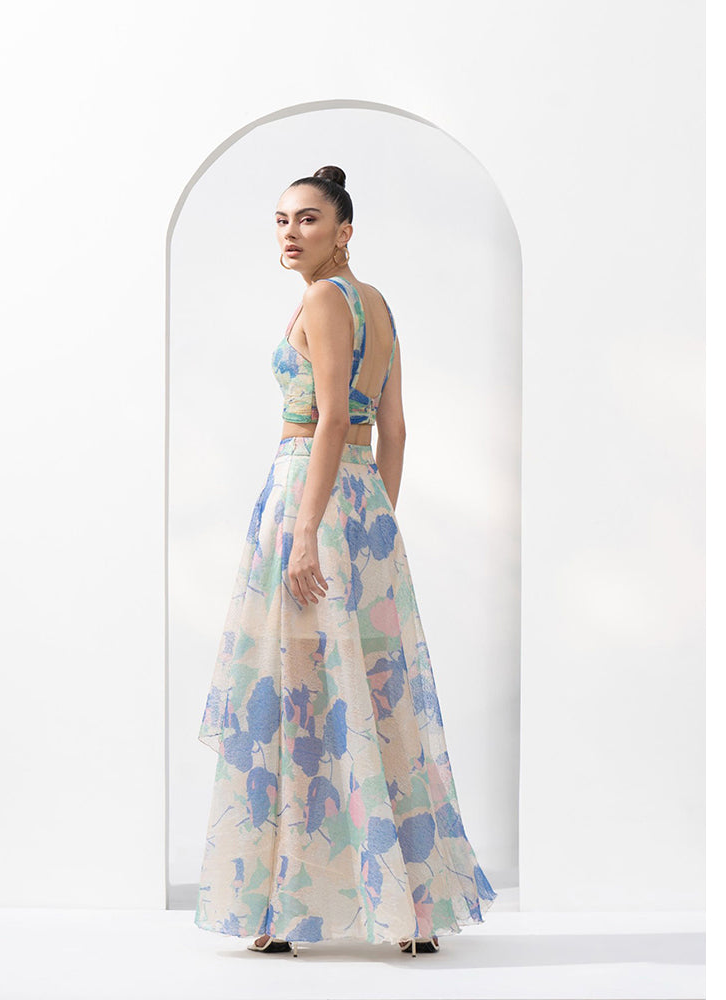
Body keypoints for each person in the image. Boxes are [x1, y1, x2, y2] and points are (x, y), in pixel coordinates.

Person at [194, 165, 497, 958]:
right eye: (282, 220)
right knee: (373, 697)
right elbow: (392, 430)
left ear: (344, 230)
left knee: (299, 694)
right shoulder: (379, 305)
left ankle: (286, 908)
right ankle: (411, 912)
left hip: (310, 496)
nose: (291, 233)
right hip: (361, 507)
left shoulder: (326, 300)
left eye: (308, 219)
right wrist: (373, 521)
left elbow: (331, 421)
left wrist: (307, 533)